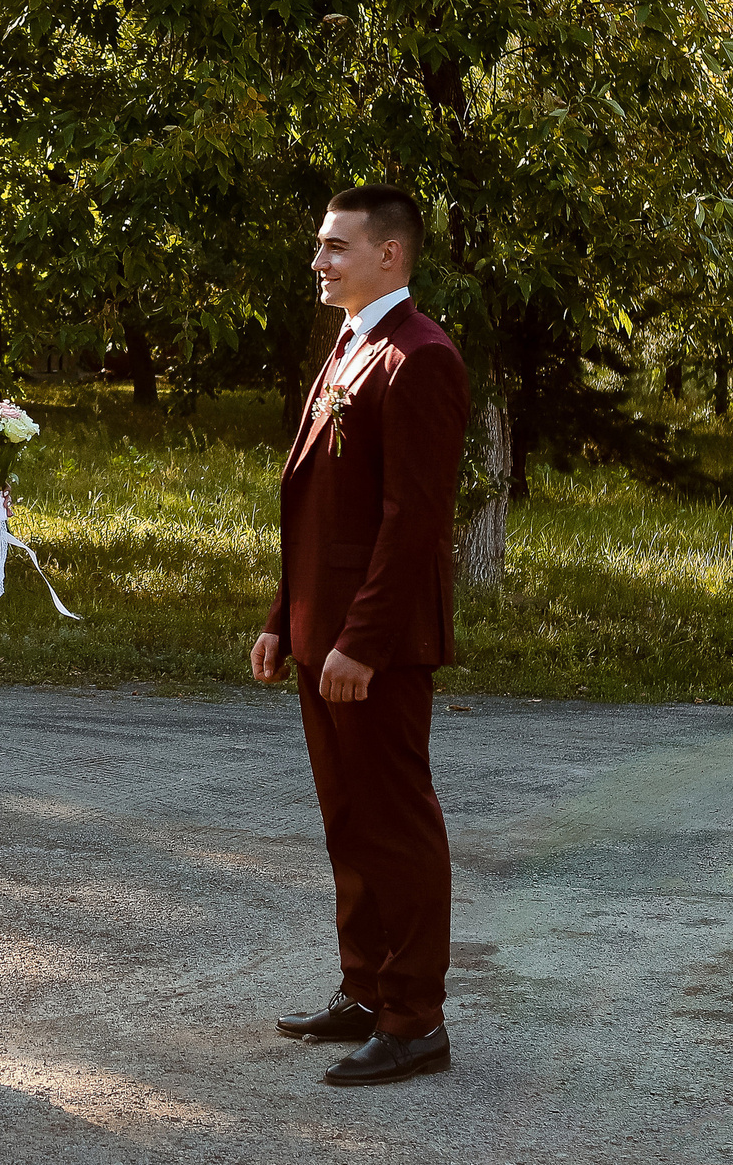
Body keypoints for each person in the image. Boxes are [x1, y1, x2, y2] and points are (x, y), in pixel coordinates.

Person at [251, 183, 471, 1087]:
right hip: (321, 632)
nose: (319, 260)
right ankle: (368, 986)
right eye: (319, 244)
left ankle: (416, 1017)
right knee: (348, 819)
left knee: (395, 823)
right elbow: (316, 505)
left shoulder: (420, 356)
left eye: (336, 247)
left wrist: (363, 641)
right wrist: (282, 618)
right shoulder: (350, 345)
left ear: (391, 254)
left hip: (371, 645)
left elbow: (411, 519)